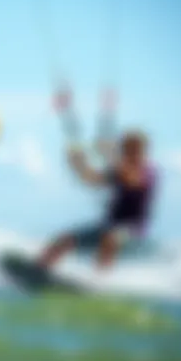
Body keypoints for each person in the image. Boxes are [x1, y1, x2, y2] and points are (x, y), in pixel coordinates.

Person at [37, 110, 157, 271]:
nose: (129, 153)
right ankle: (39, 268)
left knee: (110, 238)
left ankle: (101, 281)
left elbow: (132, 179)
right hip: (107, 226)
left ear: (143, 151)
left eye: (134, 149)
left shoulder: (147, 172)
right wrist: (77, 163)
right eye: (127, 149)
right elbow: (90, 178)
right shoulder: (119, 170)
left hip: (132, 231)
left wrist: (109, 154)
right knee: (63, 240)